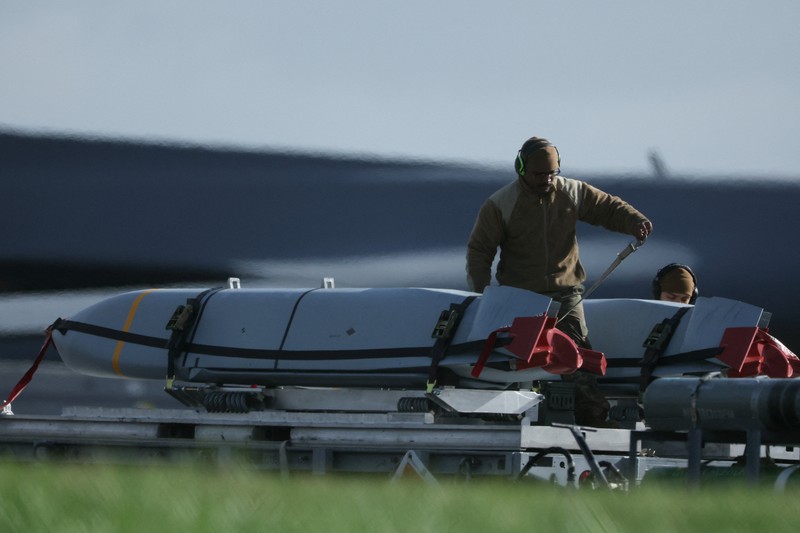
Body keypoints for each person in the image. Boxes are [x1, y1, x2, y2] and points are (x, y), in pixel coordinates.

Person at [466, 136, 652, 426]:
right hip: (519, 297)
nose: (547, 180)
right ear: (521, 168)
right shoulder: (500, 204)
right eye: (539, 174)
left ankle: (592, 417)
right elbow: (480, 251)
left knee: (577, 354)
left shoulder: (572, 192)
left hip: (566, 294)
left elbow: (607, 208)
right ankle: (506, 416)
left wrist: (634, 221)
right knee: (515, 360)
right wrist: (482, 295)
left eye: (552, 173)